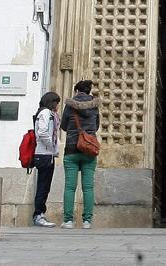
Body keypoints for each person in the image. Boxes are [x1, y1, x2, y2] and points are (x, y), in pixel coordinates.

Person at [61, 79, 100, 229]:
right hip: (89, 150)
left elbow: (64, 126)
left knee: (70, 187)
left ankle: (68, 220)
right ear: (89, 91)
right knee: (88, 187)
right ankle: (87, 221)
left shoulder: (70, 105)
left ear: (76, 91)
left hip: (71, 149)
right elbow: (96, 126)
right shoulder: (95, 106)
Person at [30, 91, 61, 227]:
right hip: (44, 155)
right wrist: (52, 146)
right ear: (52, 103)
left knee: (45, 186)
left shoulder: (46, 114)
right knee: (43, 186)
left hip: (46, 154)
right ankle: (38, 215)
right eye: (57, 103)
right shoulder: (45, 113)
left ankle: (40, 214)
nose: (58, 106)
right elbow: (42, 132)